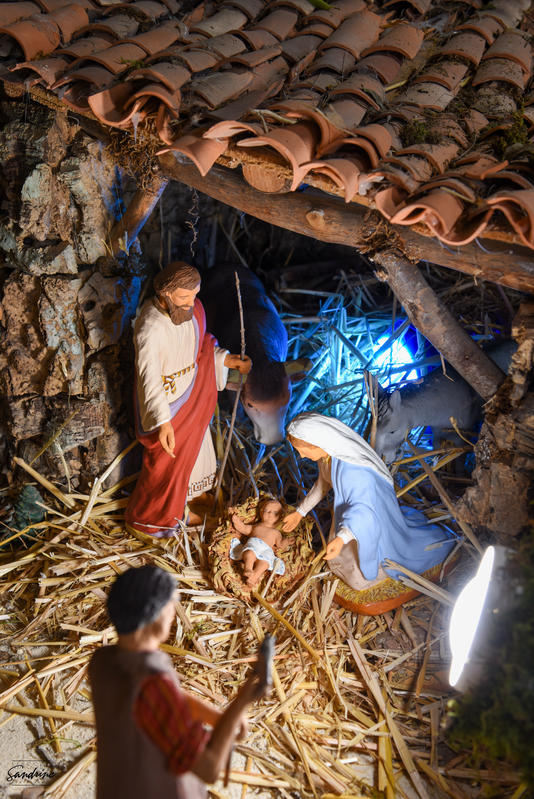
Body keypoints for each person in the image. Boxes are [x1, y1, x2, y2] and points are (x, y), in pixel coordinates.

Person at [89, 565, 269, 799]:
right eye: (171, 606)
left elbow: (165, 701)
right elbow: (209, 768)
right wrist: (242, 701)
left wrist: (217, 719)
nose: (174, 614)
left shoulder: (102, 660)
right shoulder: (152, 683)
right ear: (154, 616)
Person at [125, 262, 251, 537]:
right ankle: (154, 519)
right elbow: (148, 378)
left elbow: (202, 346)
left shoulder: (193, 311)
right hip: (167, 407)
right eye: (185, 297)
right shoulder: (150, 328)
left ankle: (187, 501)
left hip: (193, 395)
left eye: (195, 295)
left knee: (196, 453)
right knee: (164, 467)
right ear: (166, 293)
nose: (191, 303)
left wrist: (225, 359)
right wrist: (163, 422)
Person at [282, 412, 455, 591]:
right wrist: (300, 512)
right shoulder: (327, 457)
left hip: (368, 523)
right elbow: (322, 484)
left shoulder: (352, 472)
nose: (301, 456)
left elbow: (364, 513)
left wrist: (341, 539)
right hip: (349, 517)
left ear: (319, 443)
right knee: (342, 560)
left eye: (303, 450)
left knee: (360, 577)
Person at [229, 497, 293, 587]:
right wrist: (237, 522)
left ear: (280, 517)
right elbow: (244, 528)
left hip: (266, 550)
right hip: (254, 544)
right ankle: (248, 568)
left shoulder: (276, 533)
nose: (270, 513)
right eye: (267, 511)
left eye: (275, 513)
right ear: (261, 512)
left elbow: (280, 545)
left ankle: (254, 577)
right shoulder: (256, 527)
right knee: (249, 553)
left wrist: (287, 542)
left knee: (265, 563)